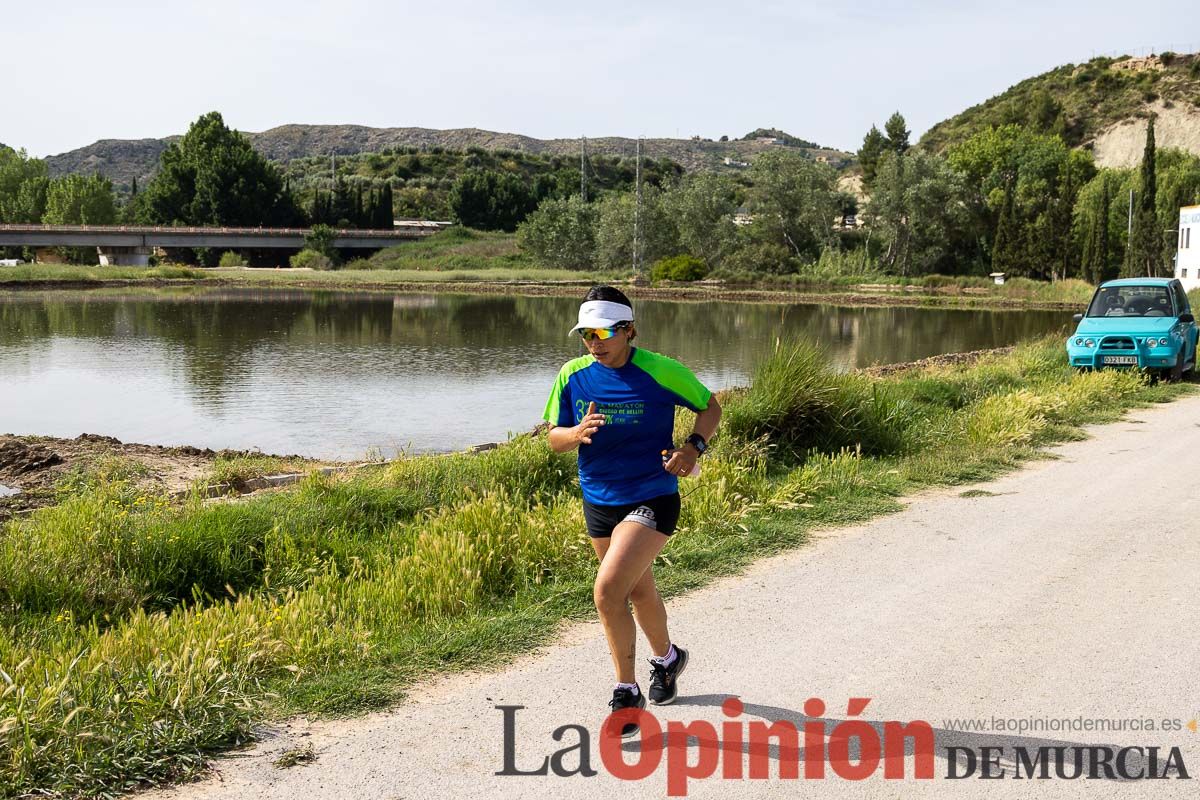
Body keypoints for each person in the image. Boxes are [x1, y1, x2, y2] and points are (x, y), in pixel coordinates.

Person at [543, 286, 722, 737]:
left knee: (607, 592)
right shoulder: (572, 375)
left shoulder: (661, 371)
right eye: (585, 334)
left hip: (653, 494)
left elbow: (709, 407)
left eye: (603, 332)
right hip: (599, 498)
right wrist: (576, 432)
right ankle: (668, 660)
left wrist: (692, 448)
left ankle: (627, 691)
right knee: (638, 591)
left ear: (628, 330)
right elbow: (553, 437)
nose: (593, 342)